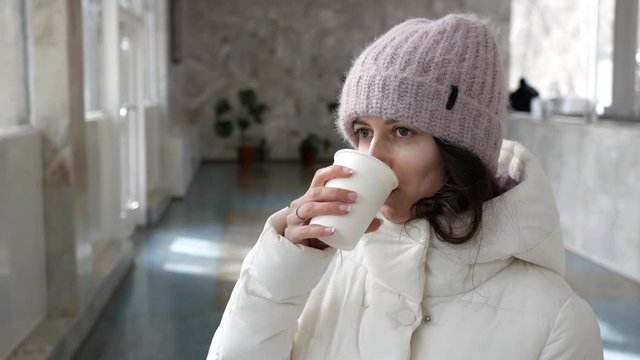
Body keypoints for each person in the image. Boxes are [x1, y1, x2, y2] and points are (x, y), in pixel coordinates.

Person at [207, 14, 603, 360]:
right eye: (363, 131)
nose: (373, 155)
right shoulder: (318, 266)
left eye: (401, 130)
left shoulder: (558, 322)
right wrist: (280, 273)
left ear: (460, 148)